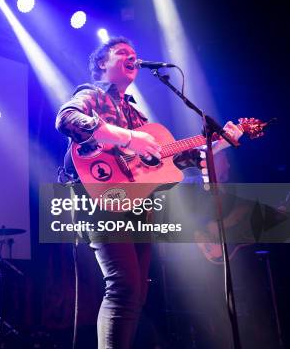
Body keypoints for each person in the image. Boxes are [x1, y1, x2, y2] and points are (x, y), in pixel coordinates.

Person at [55, 36, 243, 348]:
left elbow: (181, 159)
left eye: (134, 54)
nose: (133, 57)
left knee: (137, 290)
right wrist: (127, 139)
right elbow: (67, 119)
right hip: (102, 194)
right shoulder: (91, 95)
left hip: (137, 202)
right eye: (122, 53)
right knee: (123, 286)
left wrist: (218, 144)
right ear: (102, 63)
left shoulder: (138, 116)